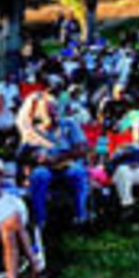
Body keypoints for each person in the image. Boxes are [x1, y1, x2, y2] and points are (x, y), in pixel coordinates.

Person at [26, 97, 91, 227]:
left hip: (67, 163)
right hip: (45, 167)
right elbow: (25, 155)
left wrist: (60, 157)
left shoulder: (69, 124)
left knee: (78, 172)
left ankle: (81, 216)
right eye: (48, 112)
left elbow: (82, 148)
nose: (52, 115)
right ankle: (40, 220)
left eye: (54, 110)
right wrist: (35, 157)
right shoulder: (34, 131)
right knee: (39, 175)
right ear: (40, 114)